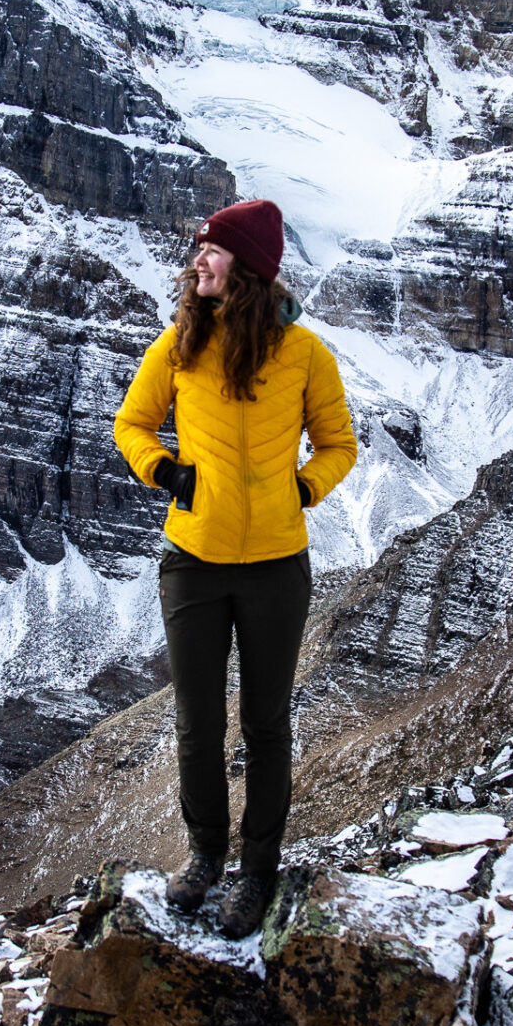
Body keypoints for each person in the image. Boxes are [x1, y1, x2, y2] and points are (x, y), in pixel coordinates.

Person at [113, 198, 358, 938]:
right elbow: (131, 422)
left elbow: (339, 443)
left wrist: (303, 488)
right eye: (199, 252)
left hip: (277, 567)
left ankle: (257, 872)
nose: (198, 262)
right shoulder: (178, 345)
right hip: (192, 563)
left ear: (246, 266)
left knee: (266, 725)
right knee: (196, 724)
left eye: (212, 251)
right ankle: (204, 858)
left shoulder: (304, 352)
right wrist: (165, 473)